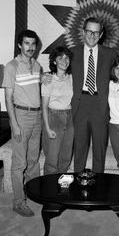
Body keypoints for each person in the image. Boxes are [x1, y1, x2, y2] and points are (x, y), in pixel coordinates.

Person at [2, 29, 42, 217]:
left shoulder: (37, 65)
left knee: (33, 161)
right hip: (21, 117)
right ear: (19, 45)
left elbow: (36, 90)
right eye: (26, 43)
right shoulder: (11, 66)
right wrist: (14, 123)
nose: (30, 47)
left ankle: (34, 195)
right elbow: (8, 98)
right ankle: (18, 202)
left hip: (37, 117)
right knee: (20, 163)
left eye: (33, 44)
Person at [70, 17, 118, 173]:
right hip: (79, 104)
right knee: (79, 147)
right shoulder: (72, 53)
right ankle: (78, 181)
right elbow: (59, 71)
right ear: (83, 32)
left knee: (99, 149)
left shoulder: (110, 54)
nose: (92, 35)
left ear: (101, 34)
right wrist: (46, 76)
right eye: (89, 31)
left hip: (100, 105)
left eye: (96, 32)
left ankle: (98, 186)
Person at [41, 46, 74, 175]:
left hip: (70, 117)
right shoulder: (48, 79)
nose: (64, 60)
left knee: (65, 158)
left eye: (67, 58)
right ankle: (49, 191)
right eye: (60, 57)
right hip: (53, 117)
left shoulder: (71, 78)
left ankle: (62, 188)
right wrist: (47, 129)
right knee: (52, 160)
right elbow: (44, 106)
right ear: (54, 61)